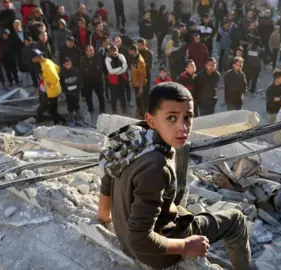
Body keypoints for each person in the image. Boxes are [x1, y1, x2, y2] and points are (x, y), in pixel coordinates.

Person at [97, 82, 252, 269]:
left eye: (187, 117)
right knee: (237, 219)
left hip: (125, 237)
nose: (182, 127)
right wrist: (187, 245)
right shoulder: (156, 166)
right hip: (155, 255)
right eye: (171, 118)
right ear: (151, 120)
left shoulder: (129, 141)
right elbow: (140, 240)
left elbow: (107, 181)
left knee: (179, 208)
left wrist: (105, 219)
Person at [33, 48, 65, 125]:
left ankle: (61, 122)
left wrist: (50, 82)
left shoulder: (46, 66)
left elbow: (56, 78)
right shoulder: (47, 60)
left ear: (37, 57)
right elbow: (57, 68)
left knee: (51, 110)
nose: (32, 60)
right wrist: (46, 78)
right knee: (53, 109)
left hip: (52, 92)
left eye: (33, 58)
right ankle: (59, 122)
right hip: (55, 89)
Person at [80, 45, 105, 114]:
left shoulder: (98, 57)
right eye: (90, 50)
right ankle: (91, 109)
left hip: (98, 81)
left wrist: (89, 70)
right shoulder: (83, 60)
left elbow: (100, 68)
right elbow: (83, 71)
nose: (92, 51)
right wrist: (94, 69)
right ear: (86, 51)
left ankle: (102, 109)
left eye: (93, 49)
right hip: (87, 82)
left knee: (101, 96)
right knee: (88, 97)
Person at [106, 46, 129, 115]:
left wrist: (117, 72)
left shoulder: (121, 56)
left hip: (121, 79)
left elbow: (125, 66)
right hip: (112, 81)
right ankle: (114, 110)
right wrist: (120, 68)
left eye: (115, 50)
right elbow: (110, 71)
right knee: (113, 96)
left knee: (122, 95)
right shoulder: (108, 59)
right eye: (112, 50)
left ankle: (124, 109)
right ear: (110, 51)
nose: (114, 52)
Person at [59, 57, 82, 126]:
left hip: (76, 92)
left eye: (69, 64)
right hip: (68, 93)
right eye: (66, 64)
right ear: (63, 65)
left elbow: (80, 80)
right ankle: (71, 117)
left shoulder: (75, 70)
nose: (68, 65)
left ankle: (78, 116)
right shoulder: (62, 74)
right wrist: (65, 91)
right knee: (70, 105)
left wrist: (79, 89)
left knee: (77, 104)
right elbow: (61, 84)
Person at [128, 44, 147, 118]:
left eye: (130, 50)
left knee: (142, 102)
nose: (129, 52)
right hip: (136, 84)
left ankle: (143, 117)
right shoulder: (133, 57)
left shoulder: (140, 61)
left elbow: (143, 75)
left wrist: (141, 88)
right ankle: (139, 112)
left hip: (140, 85)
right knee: (137, 100)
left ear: (133, 51)